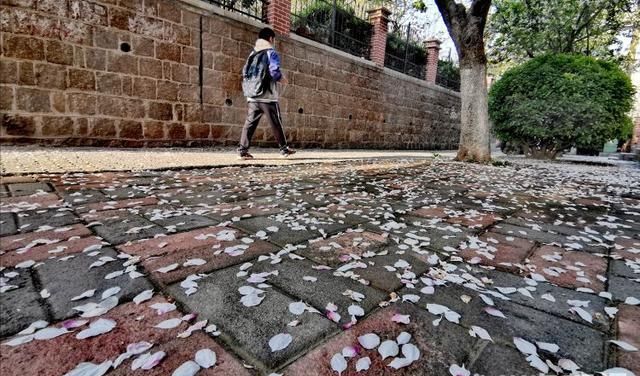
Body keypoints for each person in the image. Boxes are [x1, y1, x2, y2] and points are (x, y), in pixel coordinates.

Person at [238, 27, 296, 160]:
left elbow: (244, 71)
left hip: (252, 95)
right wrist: (282, 79)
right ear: (270, 39)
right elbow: (274, 71)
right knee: (276, 122)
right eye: (273, 39)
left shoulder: (253, 53)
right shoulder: (271, 52)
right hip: (267, 96)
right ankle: (284, 149)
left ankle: (242, 151)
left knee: (250, 123)